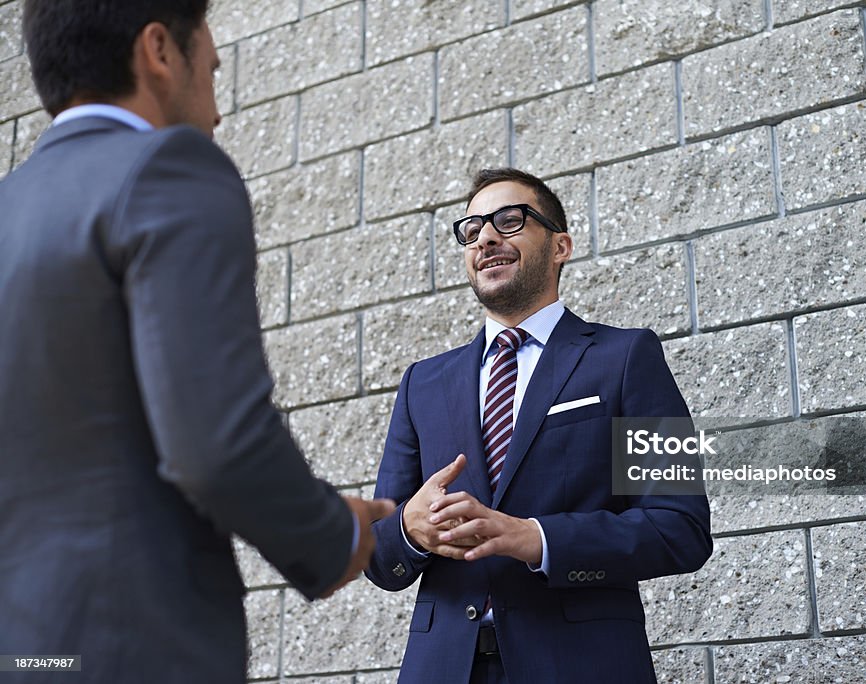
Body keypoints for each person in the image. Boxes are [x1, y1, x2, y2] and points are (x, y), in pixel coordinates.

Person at [0, 2, 393, 682]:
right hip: (129, 649)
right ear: (158, 51)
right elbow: (217, 446)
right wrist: (338, 535)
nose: (217, 112)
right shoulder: (168, 168)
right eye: (212, 69)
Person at [365, 168, 713, 683]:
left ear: (560, 246)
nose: (485, 237)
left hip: (580, 666)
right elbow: (378, 557)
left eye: (509, 220)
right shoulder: (423, 383)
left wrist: (536, 538)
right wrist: (409, 533)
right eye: (472, 229)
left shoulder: (626, 357)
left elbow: (679, 528)